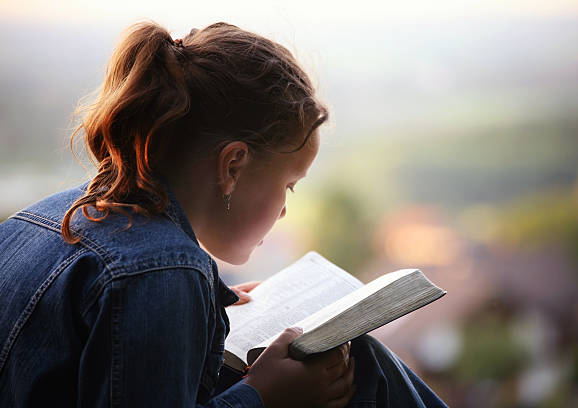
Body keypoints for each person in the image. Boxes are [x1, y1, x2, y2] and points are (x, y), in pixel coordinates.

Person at [0, 21, 447, 407]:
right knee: (357, 361)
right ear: (232, 166)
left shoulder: (34, 221)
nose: (287, 208)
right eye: (287, 184)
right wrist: (264, 396)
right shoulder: (164, 271)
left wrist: (212, 307)